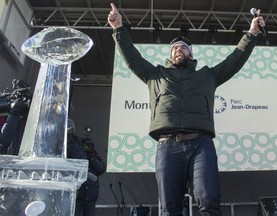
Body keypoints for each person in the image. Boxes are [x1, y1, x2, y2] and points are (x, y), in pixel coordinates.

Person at [108, 3, 265, 216]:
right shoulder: (155, 75)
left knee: (209, 200)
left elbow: (235, 59)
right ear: (170, 55)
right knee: (169, 208)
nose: (177, 50)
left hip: (201, 145)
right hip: (167, 147)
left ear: (190, 54)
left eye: (182, 47)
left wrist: (252, 33)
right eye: (174, 48)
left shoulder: (208, 76)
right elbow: (131, 56)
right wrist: (118, 29)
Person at [67, 122, 106, 216]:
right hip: (79, 195)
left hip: (91, 195)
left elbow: (101, 169)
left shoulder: (94, 157)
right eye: (85, 146)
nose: (87, 148)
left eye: (89, 146)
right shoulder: (77, 155)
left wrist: (92, 157)